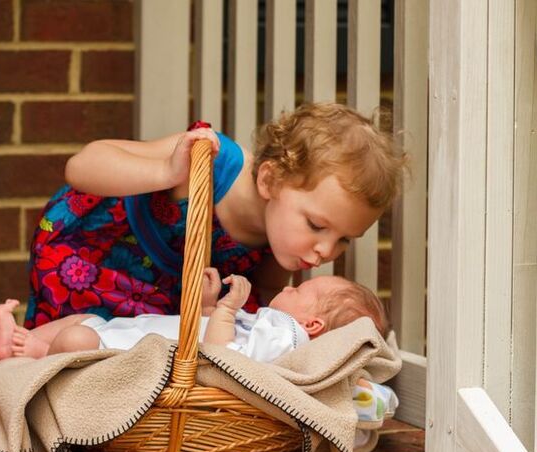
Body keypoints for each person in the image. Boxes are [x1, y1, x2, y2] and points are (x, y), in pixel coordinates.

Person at [24, 103, 406, 330]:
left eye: (344, 239)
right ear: (270, 180)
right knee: (62, 342)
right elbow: (82, 165)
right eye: (317, 226)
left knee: (121, 351)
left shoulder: (282, 243)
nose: (326, 250)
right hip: (97, 253)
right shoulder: (213, 160)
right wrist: (166, 172)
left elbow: (267, 298)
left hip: (163, 297)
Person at [0, 269, 388, 361]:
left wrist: (228, 308)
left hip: (122, 354)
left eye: (299, 291)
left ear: (312, 325)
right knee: (82, 321)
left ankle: (35, 355)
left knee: (78, 339)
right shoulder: (269, 327)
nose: (287, 288)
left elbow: (222, 359)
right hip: (128, 332)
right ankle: (26, 340)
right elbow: (213, 332)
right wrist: (209, 307)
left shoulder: (286, 338)